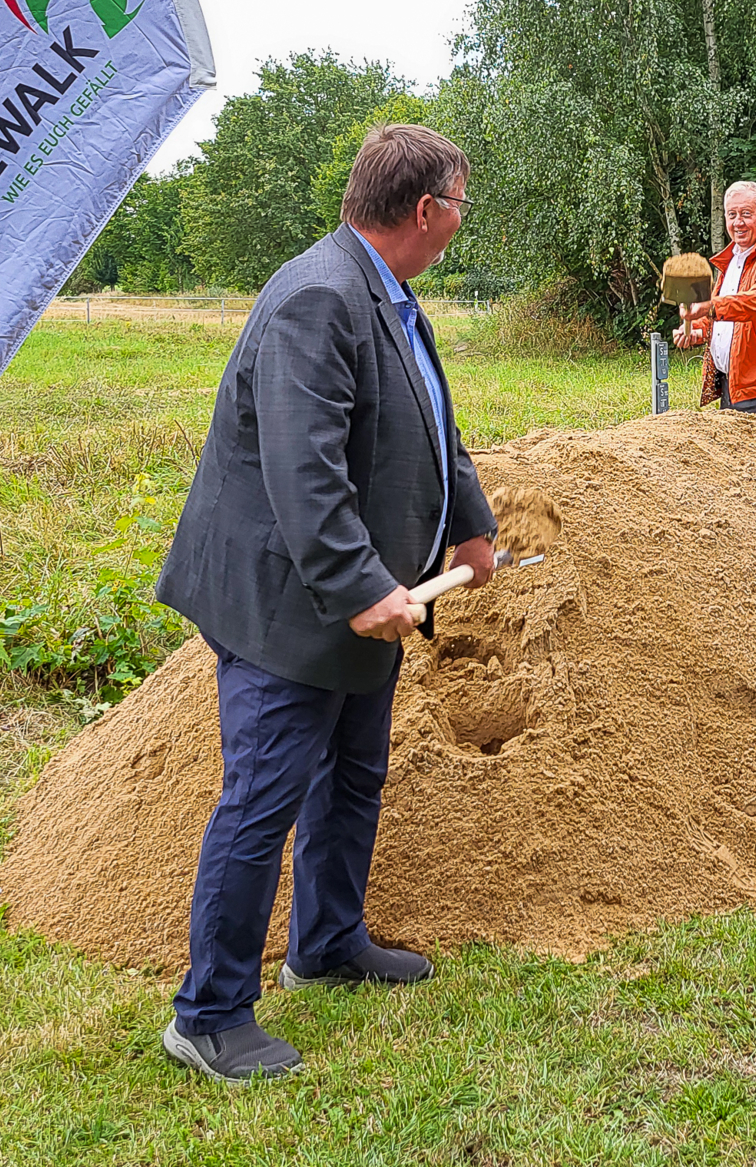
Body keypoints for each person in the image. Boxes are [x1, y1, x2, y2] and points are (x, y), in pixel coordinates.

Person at [154, 123, 499, 1081]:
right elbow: (302, 472)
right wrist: (362, 589)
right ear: (425, 210)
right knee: (261, 802)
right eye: (460, 204)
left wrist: (470, 529)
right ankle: (210, 1013)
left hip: (361, 598)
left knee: (352, 776)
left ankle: (327, 942)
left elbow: (434, 426)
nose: (460, 223)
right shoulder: (318, 296)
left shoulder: (387, 293)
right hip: (286, 605)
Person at [675, 181, 756, 431]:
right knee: (737, 466)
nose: (738, 223)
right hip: (733, 383)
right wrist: (699, 329)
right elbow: (725, 312)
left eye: (746, 214)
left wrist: (708, 308)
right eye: (732, 215)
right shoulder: (733, 256)